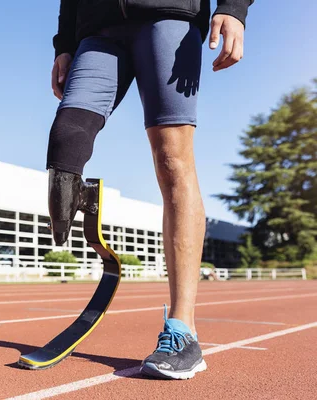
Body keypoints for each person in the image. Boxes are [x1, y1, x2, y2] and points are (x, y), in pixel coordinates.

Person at [46, 0, 253, 380]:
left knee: (172, 160)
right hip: (97, 30)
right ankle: (81, 228)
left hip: (169, 17)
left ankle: (182, 330)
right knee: (65, 139)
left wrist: (234, 7)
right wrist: (64, 45)